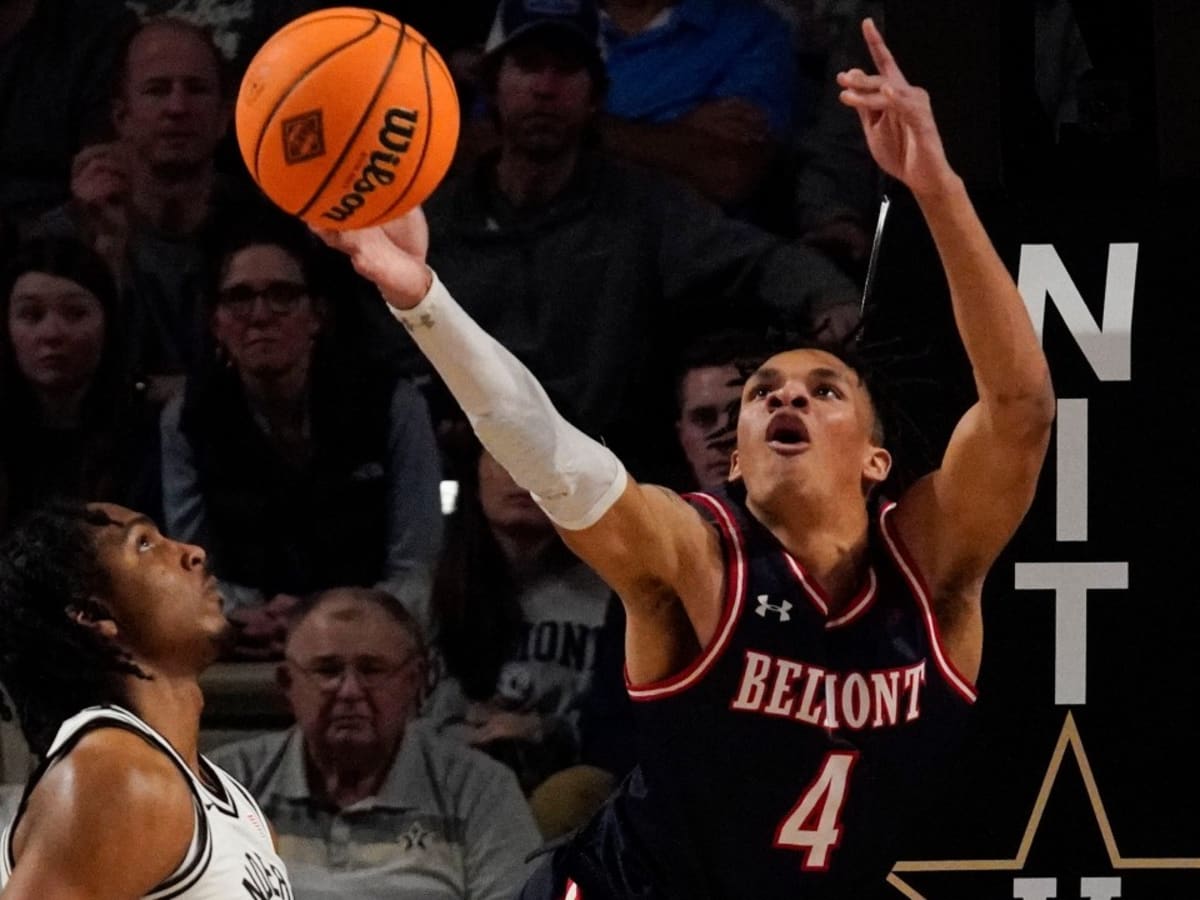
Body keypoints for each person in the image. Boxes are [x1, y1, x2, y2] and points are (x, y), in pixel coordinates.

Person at [316, 17, 1056, 898]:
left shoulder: (930, 572)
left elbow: (1020, 408)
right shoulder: (700, 557)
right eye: (762, 394)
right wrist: (425, 301)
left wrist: (936, 188)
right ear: (733, 461)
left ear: (876, 461)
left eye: (825, 390)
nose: (787, 397)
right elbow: (552, 456)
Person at [423, 0, 858, 482]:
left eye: (566, 70)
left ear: (594, 97)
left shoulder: (643, 205)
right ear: (493, 88)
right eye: (527, 67)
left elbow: (758, 260)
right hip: (477, 478)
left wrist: (830, 298)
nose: (545, 88)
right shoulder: (440, 220)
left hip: (616, 478)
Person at [160, 215, 443, 659]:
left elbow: (418, 568)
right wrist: (237, 613)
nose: (259, 315)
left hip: (375, 636)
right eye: (239, 298)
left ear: (317, 315)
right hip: (247, 640)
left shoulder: (393, 405)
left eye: (282, 295)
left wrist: (320, 620)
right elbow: (191, 566)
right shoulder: (187, 418)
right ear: (216, 323)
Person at [0, 501, 292, 896]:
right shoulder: (118, 773)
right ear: (91, 613)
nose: (192, 553)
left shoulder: (237, 808)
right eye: (144, 544)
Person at [210, 586, 541, 900]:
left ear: (415, 680)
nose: (350, 691)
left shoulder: (481, 790)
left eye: (372, 670)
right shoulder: (223, 783)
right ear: (287, 684)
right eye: (328, 670)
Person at [425, 443, 611, 795]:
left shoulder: (618, 599)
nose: (521, 472)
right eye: (503, 451)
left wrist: (547, 731)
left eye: (539, 454)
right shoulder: (416, 601)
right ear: (475, 471)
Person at [0, 235, 161, 535]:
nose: (52, 333)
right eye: (31, 315)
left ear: (107, 323)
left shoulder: (146, 436)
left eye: (76, 314)